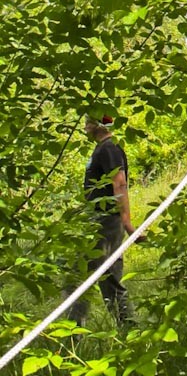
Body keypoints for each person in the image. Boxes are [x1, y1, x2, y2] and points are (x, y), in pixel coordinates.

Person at [68, 114, 141, 328]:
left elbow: (119, 184)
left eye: (88, 121)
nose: (84, 126)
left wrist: (127, 223)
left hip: (106, 222)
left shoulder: (109, 148)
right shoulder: (103, 148)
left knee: (81, 276)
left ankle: (73, 333)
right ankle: (128, 329)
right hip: (99, 221)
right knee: (104, 277)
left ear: (98, 125)